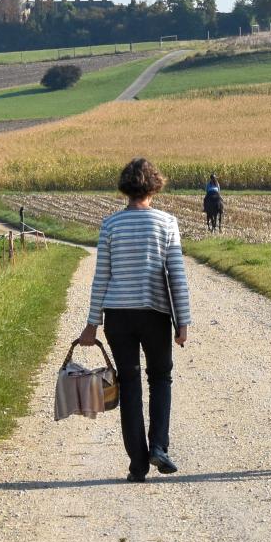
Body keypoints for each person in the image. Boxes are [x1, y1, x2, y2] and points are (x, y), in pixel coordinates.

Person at [77, 157, 192, 481]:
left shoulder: (111, 225)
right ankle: (158, 447)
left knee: (129, 385)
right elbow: (176, 276)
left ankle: (138, 464)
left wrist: (92, 322)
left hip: (118, 317)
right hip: (155, 313)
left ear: (125, 187)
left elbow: (101, 276)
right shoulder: (167, 223)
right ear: (155, 185)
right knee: (160, 378)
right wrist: (182, 321)